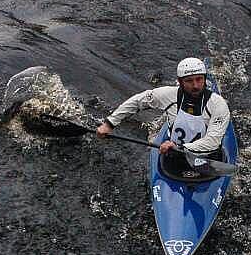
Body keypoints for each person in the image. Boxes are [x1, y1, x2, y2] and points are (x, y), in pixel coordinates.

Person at [96, 58, 230, 176]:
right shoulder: (168, 95)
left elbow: (212, 142)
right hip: (175, 156)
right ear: (180, 81)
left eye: (199, 79)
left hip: (208, 157)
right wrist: (109, 124)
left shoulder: (218, 105)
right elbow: (138, 101)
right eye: (189, 81)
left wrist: (181, 147)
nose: (195, 85)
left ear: (205, 79)